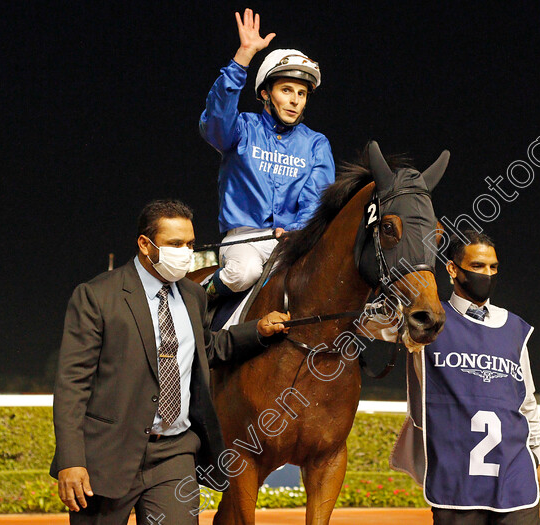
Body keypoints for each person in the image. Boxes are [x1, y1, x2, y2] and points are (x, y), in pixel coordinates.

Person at [50, 199, 290, 524]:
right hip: (108, 455)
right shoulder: (97, 296)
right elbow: (71, 386)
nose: (185, 253)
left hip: (175, 454)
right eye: (175, 244)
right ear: (145, 245)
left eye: (190, 243)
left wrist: (257, 331)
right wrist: (71, 461)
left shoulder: (193, 295)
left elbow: (206, 349)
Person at [391, 231, 540, 525]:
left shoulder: (514, 328)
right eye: (477, 266)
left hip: (515, 474)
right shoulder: (427, 319)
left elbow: (526, 403)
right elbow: (368, 323)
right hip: (455, 479)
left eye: (493, 267)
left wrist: (537, 458)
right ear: (452, 269)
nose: (487, 274)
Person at [199, 8, 335, 299]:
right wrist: (243, 57)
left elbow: (317, 199)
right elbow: (213, 122)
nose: (294, 101)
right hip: (243, 240)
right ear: (264, 93)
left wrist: (297, 231)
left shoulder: (316, 144)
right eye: (286, 90)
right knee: (243, 273)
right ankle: (199, 298)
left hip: (292, 241)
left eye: (301, 94)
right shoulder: (242, 129)